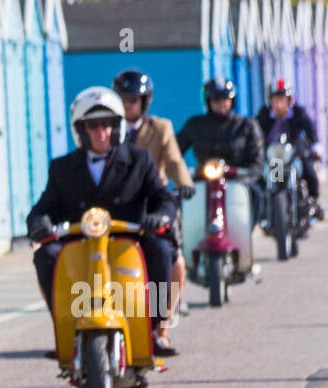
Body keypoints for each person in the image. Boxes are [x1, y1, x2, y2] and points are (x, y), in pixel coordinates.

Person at [28, 86, 177, 372]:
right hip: (81, 246)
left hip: (129, 242)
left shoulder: (139, 160)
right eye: (92, 126)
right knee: (45, 255)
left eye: (107, 125)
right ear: (80, 130)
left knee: (161, 249)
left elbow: (162, 197)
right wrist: (39, 223)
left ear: (117, 127)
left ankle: (154, 329)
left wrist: (159, 216)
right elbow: (42, 208)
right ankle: (65, 328)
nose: (101, 132)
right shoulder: (61, 168)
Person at [114, 69, 194, 354]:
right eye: (123, 99)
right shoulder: (106, 128)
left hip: (155, 206)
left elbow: (173, 160)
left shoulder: (160, 128)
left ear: (144, 102)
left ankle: (161, 329)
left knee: (175, 262)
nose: (127, 106)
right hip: (118, 209)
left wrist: (183, 184)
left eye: (133, 100)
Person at [175, 77, 265, 225]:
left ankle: (247, 230)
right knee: (180, 196)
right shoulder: (195, 124)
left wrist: (243, 173)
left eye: (225, 99)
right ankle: (183, 233)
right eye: (216, 100)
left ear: (232, 100)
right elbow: (174, 152)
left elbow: (257, 162)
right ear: (208, 102)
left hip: (238, 181)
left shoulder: (246, 125)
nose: (221, 104)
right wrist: (182, 174)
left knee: (257, 194)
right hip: (203, 181)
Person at [254, 77, 323, 220]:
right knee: (259, 179)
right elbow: (256, 135)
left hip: (295, 154)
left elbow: (310, 131)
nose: (279, 104)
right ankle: (262, 208)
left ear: (289, 100)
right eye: (275, 100)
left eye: (282, 99)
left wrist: (316, 148)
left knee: (309, 171)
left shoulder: (298, 113)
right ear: (270, 101)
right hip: (275, 159)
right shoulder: (264, 115)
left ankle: (313, 202)